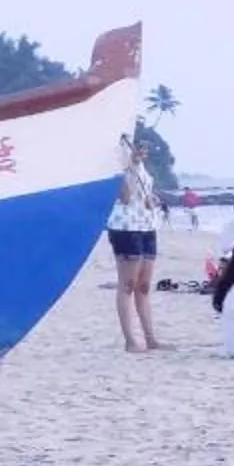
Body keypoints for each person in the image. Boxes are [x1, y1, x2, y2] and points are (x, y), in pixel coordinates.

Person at [105, 136, 162, 352]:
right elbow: (126, 197)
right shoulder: (117, 164)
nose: (142, 152)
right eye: (140, 149)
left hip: (147, 224)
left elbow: (142, 195)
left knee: (144, 285)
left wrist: (151, 198)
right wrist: (132, 165)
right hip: (126, 226)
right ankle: (130, 339)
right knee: (127, 284)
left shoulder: (142, 167)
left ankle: (150, 338)